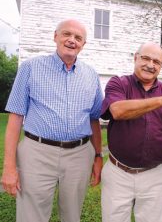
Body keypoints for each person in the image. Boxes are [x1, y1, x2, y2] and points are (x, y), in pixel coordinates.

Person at [1, 19, 104, 222]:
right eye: (66, 34)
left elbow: (94, 120)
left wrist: (98, 156)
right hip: (37, 153)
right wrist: (9, 167)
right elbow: (15, 118)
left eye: (78, 38)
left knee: (72, 216)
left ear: (83, 44)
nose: (72, 40)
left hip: (80, 154)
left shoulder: (91, 75)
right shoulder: (30, 68)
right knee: (31, 216)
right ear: (55, 36)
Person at [100, 42, 162, 222]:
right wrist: (161, 101)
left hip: (155, 175)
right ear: (135, 58)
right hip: (119, 173)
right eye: (146, 58)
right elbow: (117, 111)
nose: (150, 65)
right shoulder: (119, 83)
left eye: (156, 62)